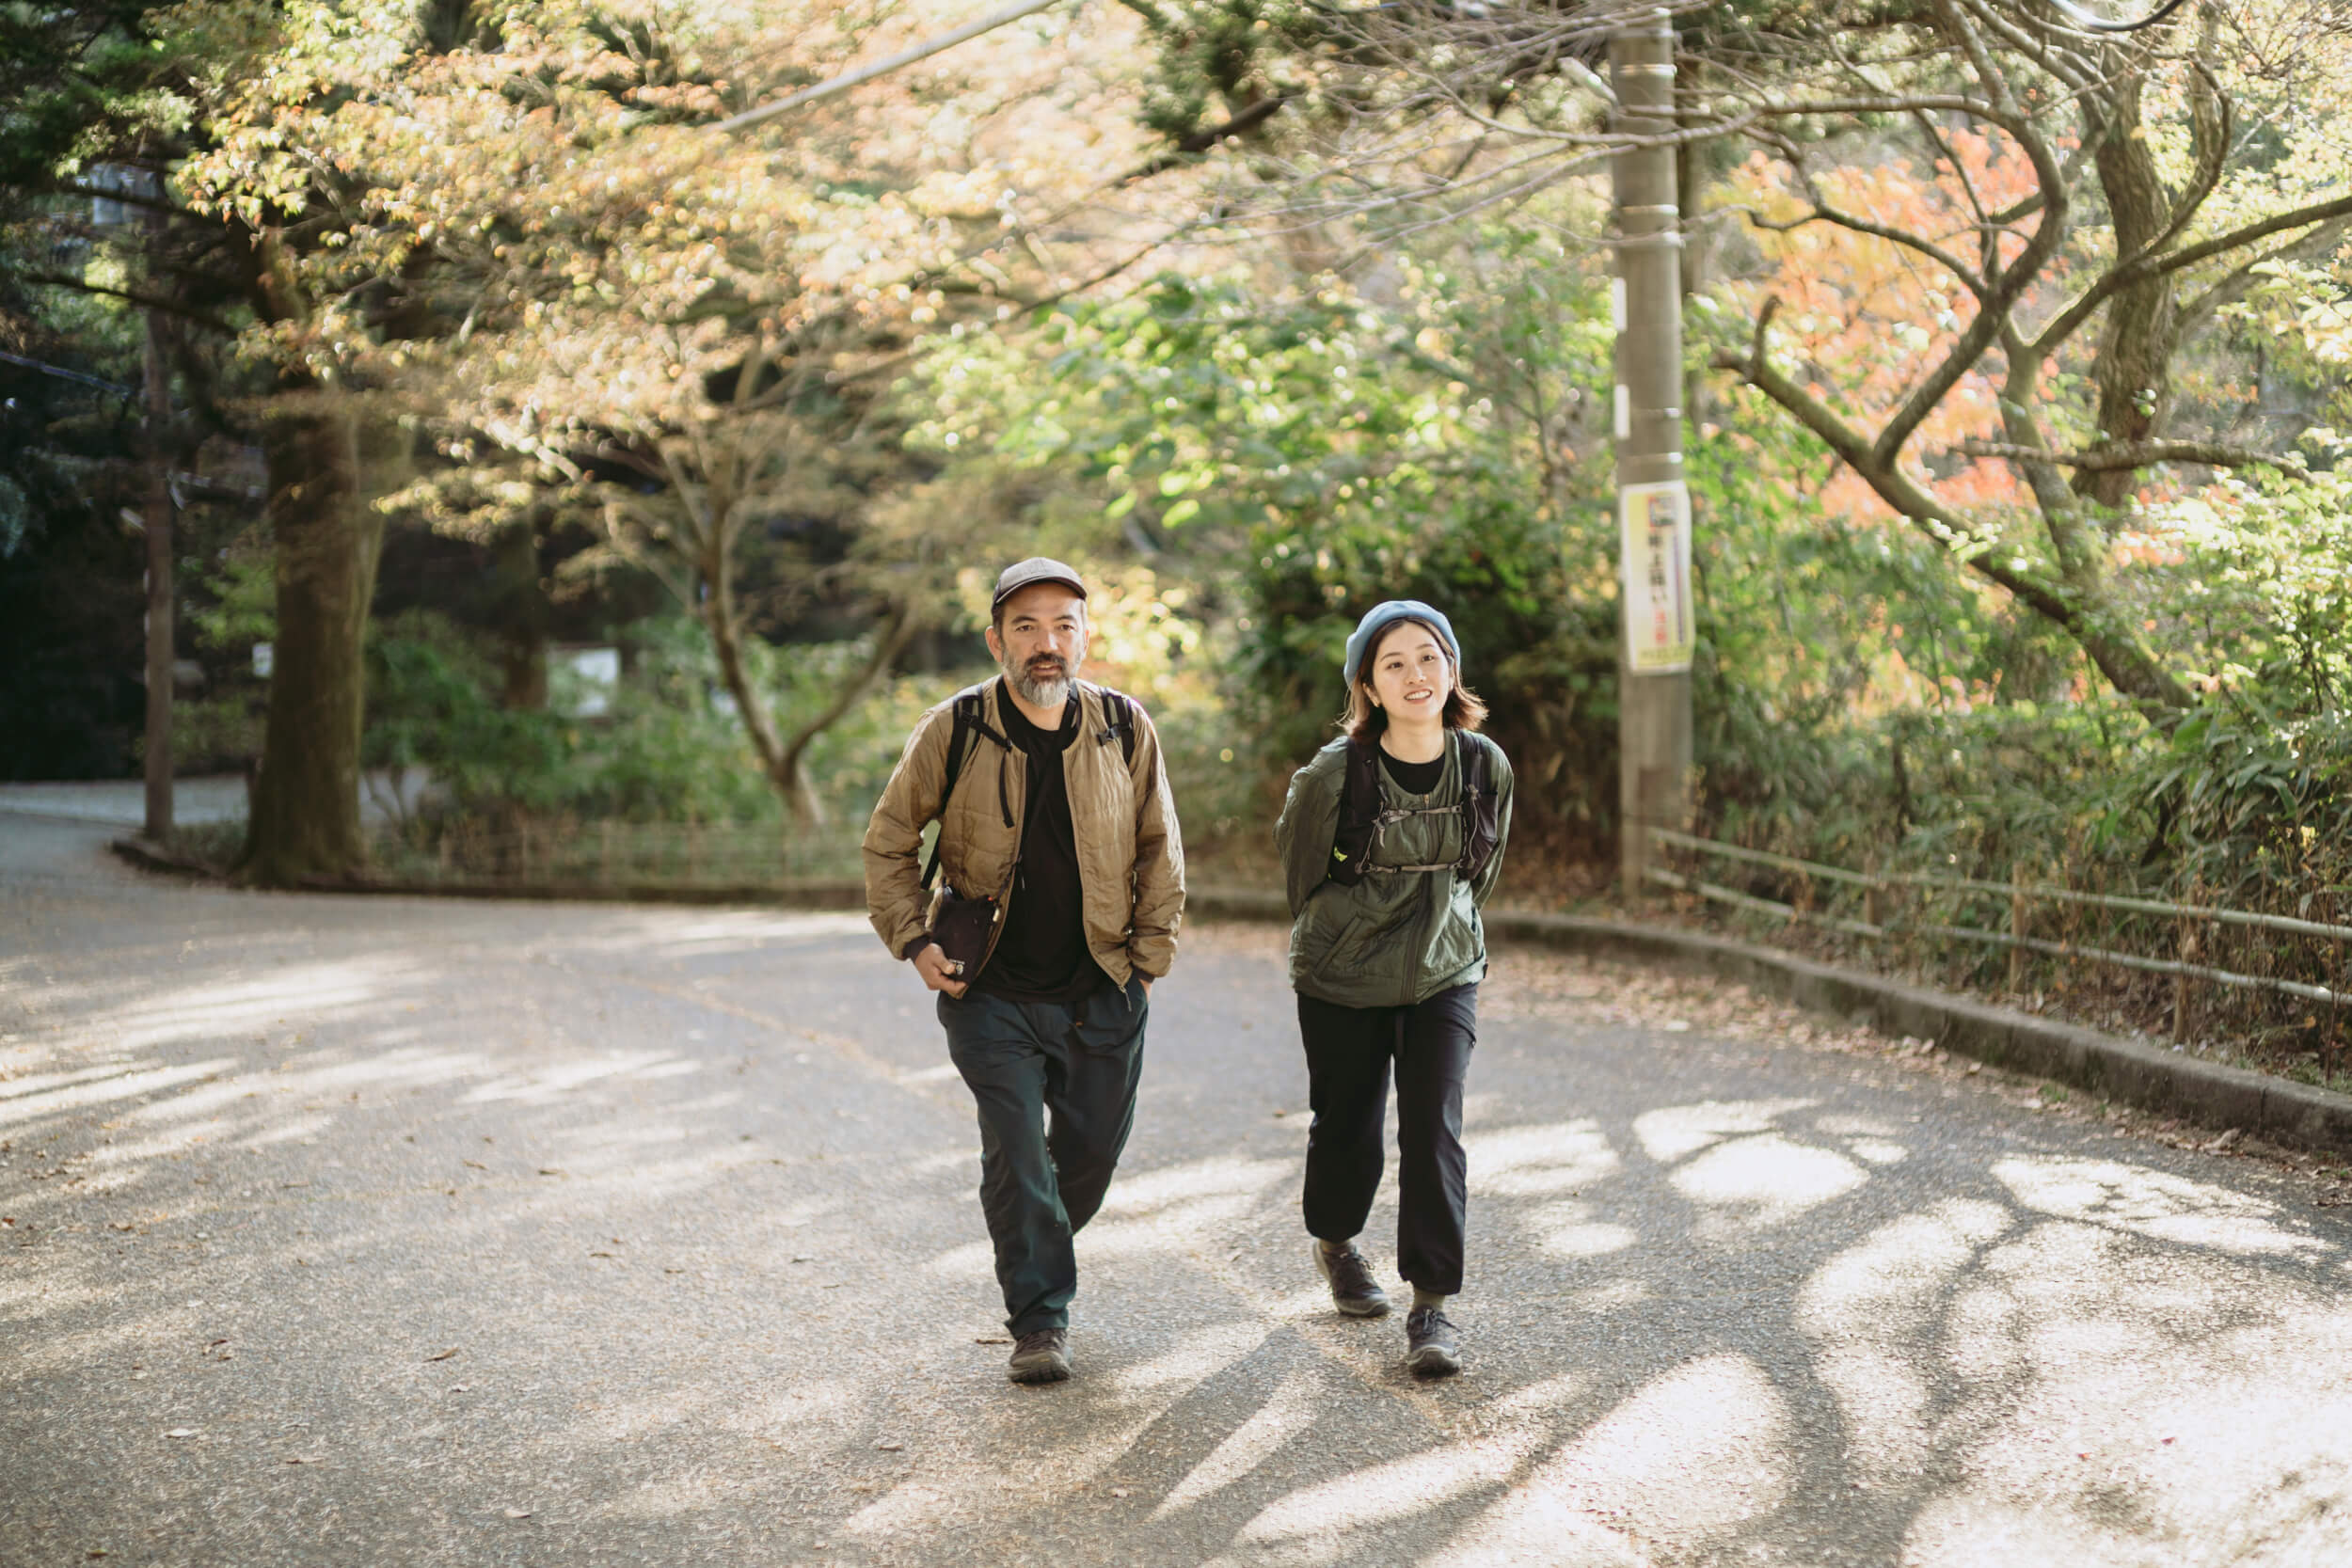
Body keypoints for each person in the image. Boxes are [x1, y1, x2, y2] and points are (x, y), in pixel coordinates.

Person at [864, 558, 1185, 1385]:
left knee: (1083, 1159)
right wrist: (914, 940)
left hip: (1103, 988)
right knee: (1016, 1149)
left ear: (1085, 636)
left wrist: (1146, 965)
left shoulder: (1122, 725)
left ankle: (1031, 1235)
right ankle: (1039, 1319)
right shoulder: (958, 727)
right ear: (997, 637)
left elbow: (1161, 849)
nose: (1048, 644)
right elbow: (890, 840)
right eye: (1028, 626)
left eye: (1064, 626)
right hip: (991, 992)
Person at [1273, 601, 1513, 1377]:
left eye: (1428, 656)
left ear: (1452, 669)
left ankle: (1431, 1302)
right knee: (1349, 1128)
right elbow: (1299, 872)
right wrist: (1358, 928)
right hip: (1343, 972)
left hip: (1444, 968)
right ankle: (1337, 1240)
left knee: (1433, 1127)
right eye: (1394, 663)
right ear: (1368, 686)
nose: (1416, 674)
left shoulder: (1483, 764)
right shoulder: (1333, 775)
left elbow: (1481, 870)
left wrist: (1437, 927)